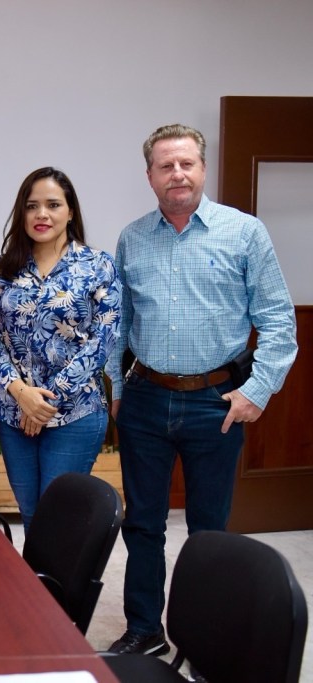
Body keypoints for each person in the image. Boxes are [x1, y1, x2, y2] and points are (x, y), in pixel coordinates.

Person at [107, 124, 297, 655]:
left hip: (217, 402)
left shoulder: (245, 233)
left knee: (209, 531)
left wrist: (257, 391)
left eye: (186, 163)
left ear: (203, 168)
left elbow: (278, 320)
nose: (177, 174)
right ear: (150, 176)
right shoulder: (132, 238)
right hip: (146, 398)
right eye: (165, 166)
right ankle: (145, 630)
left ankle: (205, 639)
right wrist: (117, 389)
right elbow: (120, 323)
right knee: (143, 524)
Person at [0, 167, 121, 533]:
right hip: (13, 412)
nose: (42, 214)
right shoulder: (6, 268)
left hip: (75, 412)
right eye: (32, 206)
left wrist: (45, 401)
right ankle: (32, 575)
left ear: (70, 211)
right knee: (31, 515)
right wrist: (22, 394)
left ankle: (58, 577)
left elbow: (102, 340)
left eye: (53, 205)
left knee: (58, 521)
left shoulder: (98, 265)